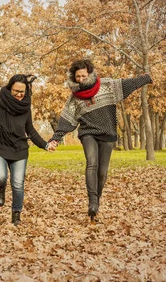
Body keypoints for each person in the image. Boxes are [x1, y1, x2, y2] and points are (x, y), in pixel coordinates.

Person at [48, 59, 152, 221]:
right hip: (87, 133)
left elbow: (127, 84)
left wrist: (145, 78)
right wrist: (55, 139)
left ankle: (96, 202)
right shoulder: (74, 98)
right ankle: (92, 203)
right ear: (73, 77)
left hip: (107, 133)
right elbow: (66, 120)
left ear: (89, 74)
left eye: (83, 76)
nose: (80, 80)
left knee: (102, 173)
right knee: (92, 163)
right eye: (77, 77)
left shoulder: (107, 85)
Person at [0, 74, 54, 226]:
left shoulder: (25, 107)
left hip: (19, 150)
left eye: (22, 91)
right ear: (9, 89)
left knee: (17, 184)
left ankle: (16, 215)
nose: (20, 94)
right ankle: (1, 187)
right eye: (16, 91)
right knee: (1, 177)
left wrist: (45, 144)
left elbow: (31, 131)